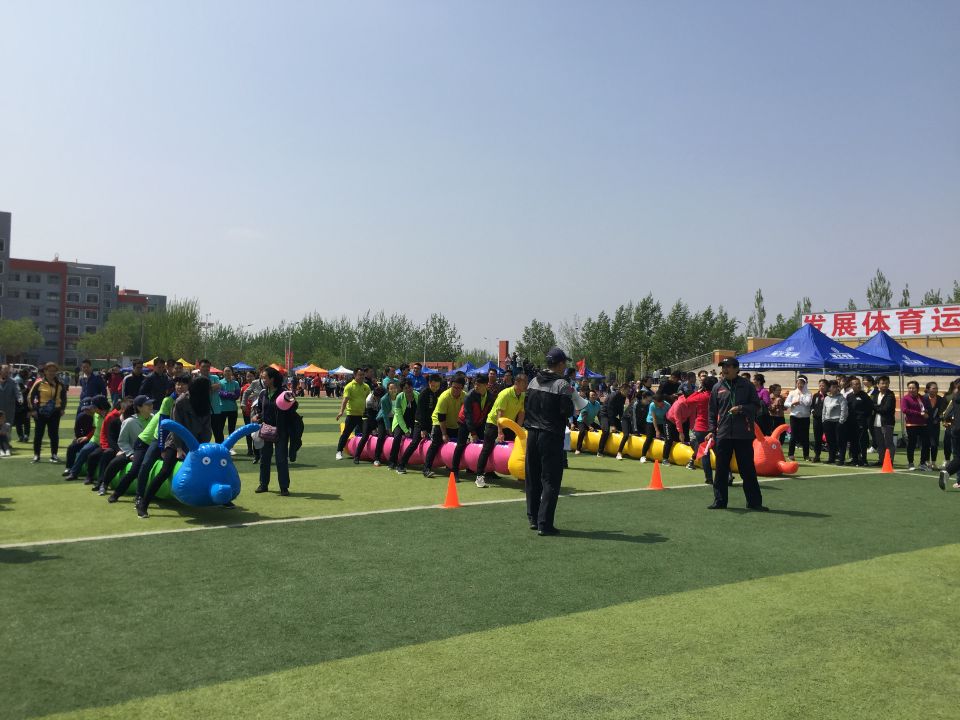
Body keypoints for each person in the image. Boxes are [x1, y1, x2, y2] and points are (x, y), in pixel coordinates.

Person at [141, 376, 217, 518]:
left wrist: (203, 446)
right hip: (177, 443)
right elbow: (175, 426)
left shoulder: (205, 401)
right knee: (165, 471)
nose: (209, 391)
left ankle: (222, 499)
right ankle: (143, 504)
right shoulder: (181, 401)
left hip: (195, 444)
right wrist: (179, 448)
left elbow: (207, 428)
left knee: (210, 467)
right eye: (207, 388)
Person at [524, 348, 579, 536]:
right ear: (560, 364)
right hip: (551, 435)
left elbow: (526, 405)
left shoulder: (533, 381)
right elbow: (566, 411)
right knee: (551, 479)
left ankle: (533, 518)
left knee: (533, 476)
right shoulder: (562, 385)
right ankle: (545, 524)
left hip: (532, 433)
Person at [706, 357, 766, 511]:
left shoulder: (747, 386)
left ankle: (754, 503)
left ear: (736, 369)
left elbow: (756, 406)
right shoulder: (717, 387)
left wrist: (741, 408)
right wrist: (711, 430)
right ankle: (720, 501)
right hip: (723, 434)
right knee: (721, 469)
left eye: (728, 366)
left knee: (747, 470)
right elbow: (712, 412)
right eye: (723, 367)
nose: (724, 369)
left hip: (743, 434)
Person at [475, 373, 527, 487]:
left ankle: (520, 475)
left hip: (508, 424)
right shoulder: (505, 394)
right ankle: (479, 476)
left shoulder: (522, 395)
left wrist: (517, 430)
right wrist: (500, 432)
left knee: (515, 448)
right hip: (493, 424)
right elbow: (500, 414)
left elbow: (521, 413)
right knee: (487, 448)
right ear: (517, 383)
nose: (526, 385)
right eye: (525, 383)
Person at [253, 367, 297, 495]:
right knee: (264, 458)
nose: (263, 380)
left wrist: (291, 399)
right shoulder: (263, 393)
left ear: (272, 379)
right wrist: (257, 416)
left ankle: (284, 487)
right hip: (266, 429)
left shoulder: (284, 392)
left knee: (281, 459)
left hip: (281, 431)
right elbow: (260, 409)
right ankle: (263, 484)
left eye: (265, 377)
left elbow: (294, 407)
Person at [100, 395, 152, 497]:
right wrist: (130, 454)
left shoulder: (154, 419)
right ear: (139, 407)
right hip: (132, 451)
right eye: (147, 404)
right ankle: (104, 483)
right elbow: (122, 441)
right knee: (116, 462)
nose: (151, 406)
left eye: (151, 404)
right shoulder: (129, 422)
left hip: (150, 451)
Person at [422, 374, 466, 479]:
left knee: (458, 445)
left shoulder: (465, 396)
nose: (456, 390)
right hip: (439, 422)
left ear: (462, 388)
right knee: (435, 443)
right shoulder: (444, 397)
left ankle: (452, 467)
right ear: (450, 385)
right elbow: (441, 417)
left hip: (454, 423)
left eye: (459, 388)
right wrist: (444, 434)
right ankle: (426, 468)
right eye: (454, 387)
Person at [396, 373, 441, 475]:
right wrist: (423, 429)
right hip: (420, 423)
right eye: (433, 386)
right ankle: (401, 465)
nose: (435, 388)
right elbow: (421, 412)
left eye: (437, 386)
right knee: (415, 442)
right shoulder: (424, 394)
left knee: (435, 442)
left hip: (432, 422)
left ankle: (426, 468)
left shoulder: (438, 393)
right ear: (429, 383)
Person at [451, 374, 491, 479]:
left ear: (486, 385)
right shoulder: (469, 396)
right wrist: (473, 433)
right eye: (475, 384)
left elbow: (488, 414)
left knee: (483, 446)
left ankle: (485, 471)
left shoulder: (490, 396)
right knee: (460, 445)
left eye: (479, 385)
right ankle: (454, 471)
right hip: (464, 422)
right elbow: (468, 416)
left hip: (479, 423)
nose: (476, 386)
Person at [29, 362, 67, 463]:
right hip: (41, 412)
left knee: (54, 434)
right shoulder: (39, 382)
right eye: (49, 371)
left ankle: (54, 455)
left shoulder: (60, 384)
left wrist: (62, 408)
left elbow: (63, 397)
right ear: (45, 371)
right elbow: (30, 396)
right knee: (38, 434)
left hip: (55, 412)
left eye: (54, 371)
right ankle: (36, 455)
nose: (52, 373)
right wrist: (33, 410)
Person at [335, 368, 368, 460]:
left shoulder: (366, 386)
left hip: (363, 415)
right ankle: (339, 451)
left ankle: (364, 452)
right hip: (352, 414)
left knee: (366, 434)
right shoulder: (349, 386)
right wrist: (341, 411)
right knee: (346, 433)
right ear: (355, 375)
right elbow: (345, 400)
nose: (362, 376)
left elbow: (369, 399)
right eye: (360, 375)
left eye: (363, 375)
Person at [388, 378, 418, 470]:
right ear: (402, 389)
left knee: (417, 438)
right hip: (400, 421)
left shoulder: (418, 395)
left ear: (412, 387)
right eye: (405, 388)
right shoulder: (399, 397)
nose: (408, 390)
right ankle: (392, 461)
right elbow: (398, 415)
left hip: (413, 421)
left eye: (409, 387)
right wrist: (405, 430)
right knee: (397, 437)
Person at [845, 377, 874, 467]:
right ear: (851, 385)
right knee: (853, 441)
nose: (858, 386)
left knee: (862, 441)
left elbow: (870, 408)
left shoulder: (864, 396)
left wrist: (863, 418)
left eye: (859, 384)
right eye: (856, 384)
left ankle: (863, 459)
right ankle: (854, 459)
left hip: (861, 422)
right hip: (851, 422)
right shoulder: (849, 396)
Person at [784, 376, 813, 461]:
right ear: (796, 383)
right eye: (798, 383)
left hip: (805, 417)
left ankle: (806, 455)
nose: (800, 385)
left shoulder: (808, 393)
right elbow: (786, 403)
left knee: (805, 436)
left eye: (802, 383)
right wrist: (792, 403)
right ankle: (791, 454)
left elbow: (808, 403)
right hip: (794, 416)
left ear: (805, 384)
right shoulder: (792, 392)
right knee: (793, 436)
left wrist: (800, 399)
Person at [901, 380, 928, 471]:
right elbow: (905, 410)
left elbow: (924, 408)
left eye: (913, 388)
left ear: (917, 388)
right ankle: (910, 463)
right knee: (911, 444)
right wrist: (919, 413)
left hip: (923, 424)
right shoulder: (905, 398)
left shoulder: (921, 397)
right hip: (911, 425)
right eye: (909, 388)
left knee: (925, 444)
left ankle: (922, 463)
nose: (911, 390)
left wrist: (926, 412)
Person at [939, 379, 960, 490]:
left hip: (955, 429)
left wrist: (947, 420)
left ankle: (956, 478)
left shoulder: (954, 397)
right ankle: (947, 471)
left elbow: (945, 414)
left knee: (957, 456)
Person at [597, 383, 628, 458]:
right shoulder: (613, 396)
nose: (628, 392)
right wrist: (612, 425)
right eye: (627, 391)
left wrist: (622, 420)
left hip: (612, 416)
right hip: (604, 415)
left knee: (624, 428)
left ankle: (623, 450)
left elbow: (621, 410)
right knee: (606, 431)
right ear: (622, 389)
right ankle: (600, 451)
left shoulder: (623, 397)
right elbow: (609, 410)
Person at [820, 381, 848, 464]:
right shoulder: (826, 398)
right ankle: (831, 458)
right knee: (830, 441)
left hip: (838, 422)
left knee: (840, 441)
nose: (835, 389)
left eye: (836, 387)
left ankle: (841, 459)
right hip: (828, 421)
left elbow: (844, 410)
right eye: (833, 387)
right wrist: (823, 420)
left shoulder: (841, 398)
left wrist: (841, 421)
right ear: (829, 388)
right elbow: (824, 410)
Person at [215, 366, 242, 451]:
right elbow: (220, 394)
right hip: (221, 409)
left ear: (232, 372)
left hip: (233, 409)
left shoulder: (236, 383)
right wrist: (230, 394)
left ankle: (230, 447)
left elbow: (237, 395)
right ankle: (221, 447)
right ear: (223, 372)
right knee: (220, 429)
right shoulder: (219, 382)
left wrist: (226, 394)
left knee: (232, 430)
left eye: (229, 371)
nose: (227, 372)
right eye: (226, 371)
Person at [198, 359, 225, 443]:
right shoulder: (196, 379)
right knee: (202, 433)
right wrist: (211, 388)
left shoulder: (215, 377)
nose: (206, 368)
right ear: (199, 367)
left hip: (215, 410)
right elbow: (197, 392)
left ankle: (220, 449)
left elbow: (218, 386)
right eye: (203, 366)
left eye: (207, 367)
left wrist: (204, 389)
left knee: (218, 433)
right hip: (201, 411)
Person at [640, 392, 671, 463]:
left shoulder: (668, 406)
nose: (654, 403)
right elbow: (654, 418)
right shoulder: (652, 405)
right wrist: (657, 430)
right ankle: (643, 456)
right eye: (654, 402)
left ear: (661, 402)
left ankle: (665, 457)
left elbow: (669, 417)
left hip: (662, 422)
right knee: (649, 437)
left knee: (667, 437)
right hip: (651, 421)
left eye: (656, 403)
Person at [873, 376, 897, 466]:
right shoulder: (876, 394)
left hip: (887, 422)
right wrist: (876, 407)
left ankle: (889, 461)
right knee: (880, 443)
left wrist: (875, 407)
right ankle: (881, 460)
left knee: (888, 442)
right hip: (876, 422)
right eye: (882, 383)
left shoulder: (890, 395)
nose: (884, 385)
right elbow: (872, 405)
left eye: (886, 383)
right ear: (878, 384)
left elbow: (886, 409)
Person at [921, 382, 946, 471]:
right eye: (933, 388)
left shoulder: (940, 399)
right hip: (925, 425)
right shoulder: (923, 398)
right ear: (928, 389)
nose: (936, 390)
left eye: (936, 388)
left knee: (934, 444)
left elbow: (942, 412)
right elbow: (920, 410)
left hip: (935, 425)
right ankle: (926, 462)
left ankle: (933, 462)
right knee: (925, 444)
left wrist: (938, 419)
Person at [574, 389, 601, 455]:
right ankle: (578, 449)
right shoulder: (585, 404)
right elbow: (584, 418)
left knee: (601, 429)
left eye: (595, 395)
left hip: (591, 421)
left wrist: (602, 424)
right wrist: (589, 426)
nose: (594, 396)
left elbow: (599, 415)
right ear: (589, 397)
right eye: (592, 395)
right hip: (582, 421)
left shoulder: (597, 404)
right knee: (582, 431)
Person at [810, 379, 828, 462]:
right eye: (820, 385)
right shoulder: (816, 395)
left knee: (829, 437)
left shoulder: (828, 396)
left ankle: (832, 455)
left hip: (827, 420)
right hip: (817, 419)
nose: (821, 387)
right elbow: (812, 406)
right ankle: (817, 455)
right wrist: (812, 410)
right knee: (817, 438)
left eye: (823, 385)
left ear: (827, 387)